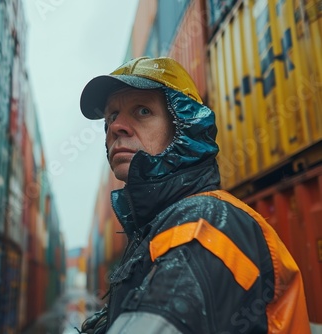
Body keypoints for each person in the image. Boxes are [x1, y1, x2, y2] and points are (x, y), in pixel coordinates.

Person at [78, 57, 310, 333]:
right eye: (112, 116)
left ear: (184, 126)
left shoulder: (204, 225)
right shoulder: (157, 227)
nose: (117, 127)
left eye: (142, 111)